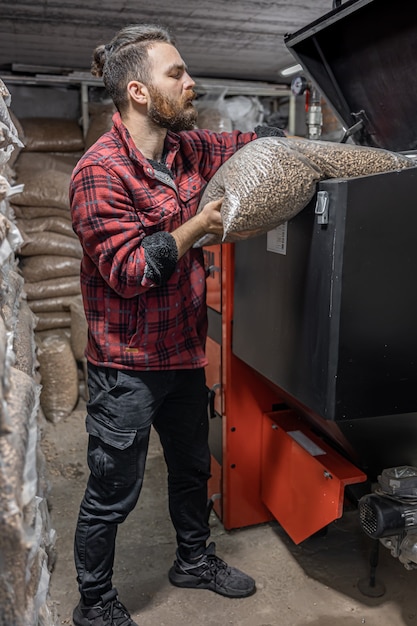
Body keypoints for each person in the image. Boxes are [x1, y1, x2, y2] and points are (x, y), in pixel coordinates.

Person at [70, 22, 283, 626]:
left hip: (184, 355)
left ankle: (193, 560)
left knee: (193, 469)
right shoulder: (99, 172)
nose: (192, 83)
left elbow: (247, 145)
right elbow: (132, 269)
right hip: (127, 367)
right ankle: (96, 602)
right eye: (177, 74)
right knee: (113, 493)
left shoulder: (187, 147)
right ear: (139, 91)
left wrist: (291, 143)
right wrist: (196, 227)